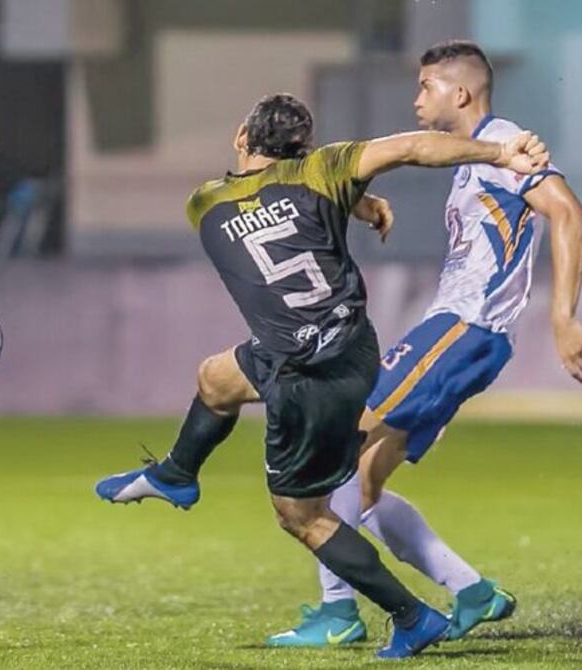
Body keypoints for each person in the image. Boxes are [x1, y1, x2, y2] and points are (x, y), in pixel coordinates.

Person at [95, 92, 549, 659]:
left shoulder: (205, 203)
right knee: (217, 378)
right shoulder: (325, 169)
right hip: (351, 352)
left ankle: (411, 617)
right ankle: (175, 473)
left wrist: (358, 201)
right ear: (303, 148)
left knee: (303, 516)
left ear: (241, 137)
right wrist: (500, 153)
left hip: (303, 375)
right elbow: (412, 148)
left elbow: (266, 202)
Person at [265, 40, 582, 647]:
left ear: (461, 92)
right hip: (465, 337)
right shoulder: (474, 159)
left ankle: (338, 612)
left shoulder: (505, 144)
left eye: (426, 85)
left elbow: (569, 213)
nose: (417, 97)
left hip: (464, 328)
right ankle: (472, 591)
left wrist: (563, 316)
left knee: (341, 439)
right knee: (365, 484)